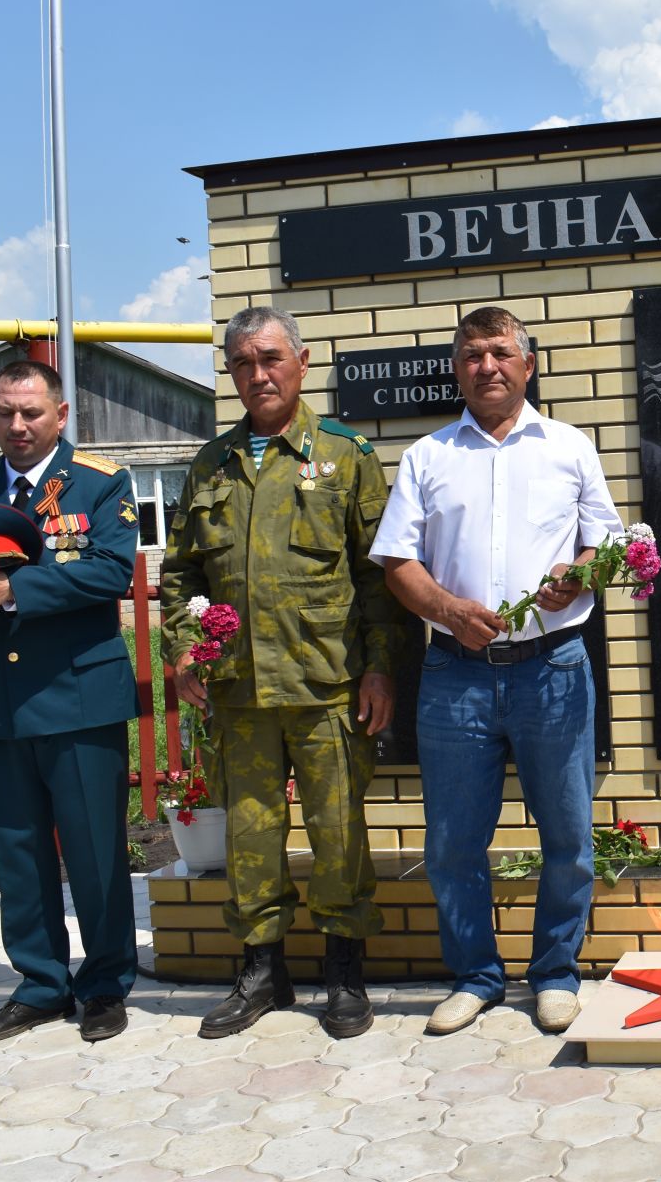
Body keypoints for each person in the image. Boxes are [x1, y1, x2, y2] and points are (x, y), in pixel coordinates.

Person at [371, 305, 620, 1037]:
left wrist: (578, 576)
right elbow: (397, 561)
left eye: (500, 352)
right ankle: (476, 976)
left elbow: (604, 542)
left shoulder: (571, 448)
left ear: (528, 364)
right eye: (473, 354)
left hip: (554, 671)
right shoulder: (428, 456)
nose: (488, 366)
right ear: (458, 368)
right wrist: (447, 608)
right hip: (456, 676)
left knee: (569, 833)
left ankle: (554, 973)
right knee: (451, 840)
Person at [160, 306, 399, 1041]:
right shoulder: (212, 463)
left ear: (302, 360)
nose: (257, 375)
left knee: (337, 834)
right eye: (241, 363)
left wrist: (380, 668)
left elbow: (378, 575)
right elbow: (180, 573)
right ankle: (262, 972)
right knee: (251, 838)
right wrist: (180, 648)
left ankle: (343, 973)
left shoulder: (345, 454)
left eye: (269, 359)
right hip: (241, 691)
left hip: (327, 683)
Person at [0, 358, 139, 1045]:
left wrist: (15, 590)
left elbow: (110, 569)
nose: (17, 425)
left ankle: (103, 984)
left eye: (31, 413)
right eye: (6, 412)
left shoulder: (101, 482)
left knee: (96, 854)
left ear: (60, 416)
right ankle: (40, 982)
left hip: (77, 696)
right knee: (18, 853)